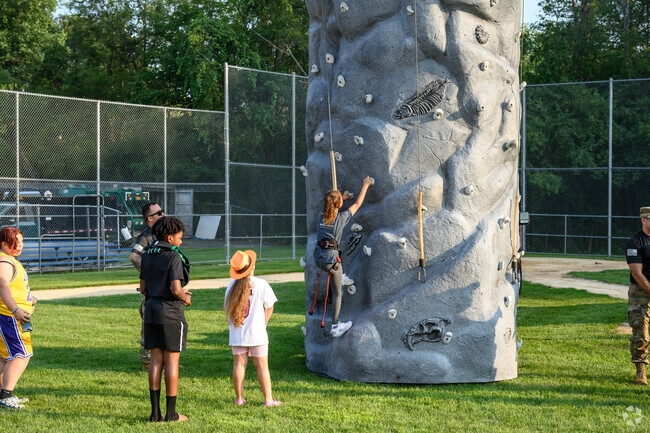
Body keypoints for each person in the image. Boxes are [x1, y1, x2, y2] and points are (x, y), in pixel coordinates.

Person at [140, 217, 191, 422]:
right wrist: (185, 297)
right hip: (170, 313)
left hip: (150, 310)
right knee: (171, 363)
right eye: (179, 238)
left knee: (155, 361)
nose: (181, 242)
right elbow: (176, 289)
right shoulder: (173, 257)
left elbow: (143, 288)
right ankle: (171, 414)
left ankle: (154, 413)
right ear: (170, 237)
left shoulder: (146, 255)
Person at [313, 176, 373, 338]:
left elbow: (332, 207)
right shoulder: (341, 218)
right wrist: (365, 185)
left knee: (342, 245)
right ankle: (335, 326)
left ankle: (342, 276)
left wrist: (342, 198)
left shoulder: (321, 216)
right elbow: (358, 204)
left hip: (319, 258)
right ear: (338, 205)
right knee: (338, 292)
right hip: (331, 262)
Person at [224, 250, 281, 407]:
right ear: (252, 266)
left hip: (237, 332)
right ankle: (268, 399)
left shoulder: (231, 286)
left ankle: (239, 398)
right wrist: (263, 323)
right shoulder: (262, 284)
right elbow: (269, 307)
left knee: (239, 365)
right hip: (257, 333)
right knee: (262, 366)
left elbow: (227, 309)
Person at [0, 227, 35, 410]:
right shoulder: (4, 261)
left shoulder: (10, 260)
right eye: (16, 241)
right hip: (8, 316)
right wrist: (15, 310)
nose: (20, 245)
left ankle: (3, 394)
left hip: (9, 316)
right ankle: (6, 395)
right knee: (21, 354)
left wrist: (30, 301)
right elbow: (3, 285)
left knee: (5, 357)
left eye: (22, 241)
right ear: (4, 244)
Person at [130, 203, 165, 370]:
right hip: (151, 290)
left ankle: (163, 360)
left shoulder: (161, 233)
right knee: (149, 325)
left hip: (162, 289)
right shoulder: (146, 236)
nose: (163, 214)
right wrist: (151, 271)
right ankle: (146, 362)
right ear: (150, 218)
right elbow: (134, 257)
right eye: (159, 213)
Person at [625, 206, 650, 385]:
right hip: (640, 293)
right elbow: (637, 273)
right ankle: (641, 369)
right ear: (643, 220)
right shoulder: (635, 242)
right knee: (641, 332)